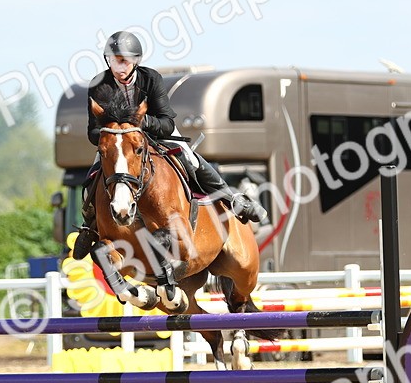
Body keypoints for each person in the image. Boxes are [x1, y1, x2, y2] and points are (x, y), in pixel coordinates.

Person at [71, 30, 268, 260]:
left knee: (190, 159)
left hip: (155, 133)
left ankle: (232, 199)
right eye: (114, 61)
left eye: (124, 61)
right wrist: (115, 133)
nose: (119, 67)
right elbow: (93, 132)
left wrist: (140, 123)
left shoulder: (151, 79)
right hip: (117, 142)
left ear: (135, 61)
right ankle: (89, 227)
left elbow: (166, 122)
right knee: (92, 179)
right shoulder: (99, 85)